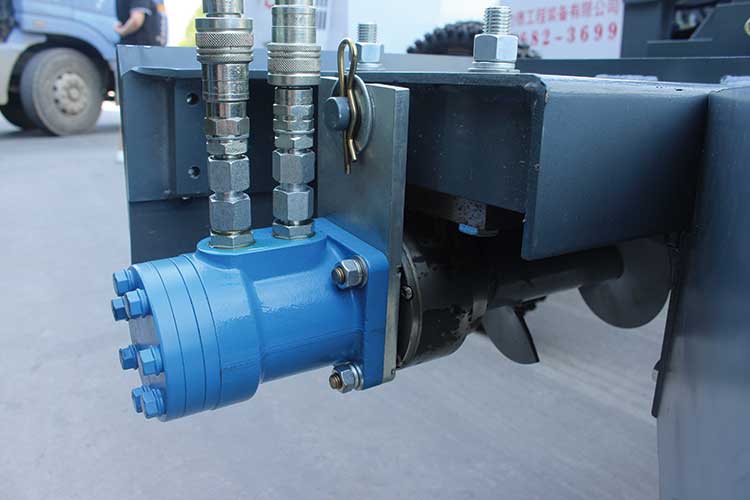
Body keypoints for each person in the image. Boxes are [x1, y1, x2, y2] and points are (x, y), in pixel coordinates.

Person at [114, 0, 166, 162]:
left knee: (134, 104)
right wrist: (122, 30)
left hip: (142, 53)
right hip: (141, 53)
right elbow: (137, 20)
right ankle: (127, 150)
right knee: (137, 104)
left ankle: (129, 149)